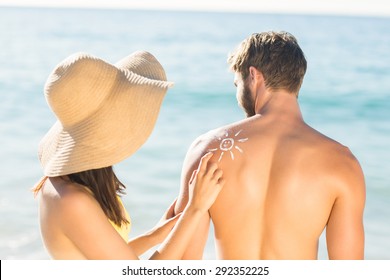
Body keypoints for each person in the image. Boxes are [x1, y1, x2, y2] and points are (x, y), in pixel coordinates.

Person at [174, 31, 366, 260]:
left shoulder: (207, 150)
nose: (237, 93)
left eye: (237, 83)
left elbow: (184, 263)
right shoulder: (343, 163)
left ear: (253, 76)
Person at [33, 51, 224, 259]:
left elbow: (101, 257)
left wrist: (154, 235)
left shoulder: (61, 183)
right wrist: (195, 209)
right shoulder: (74, 200)